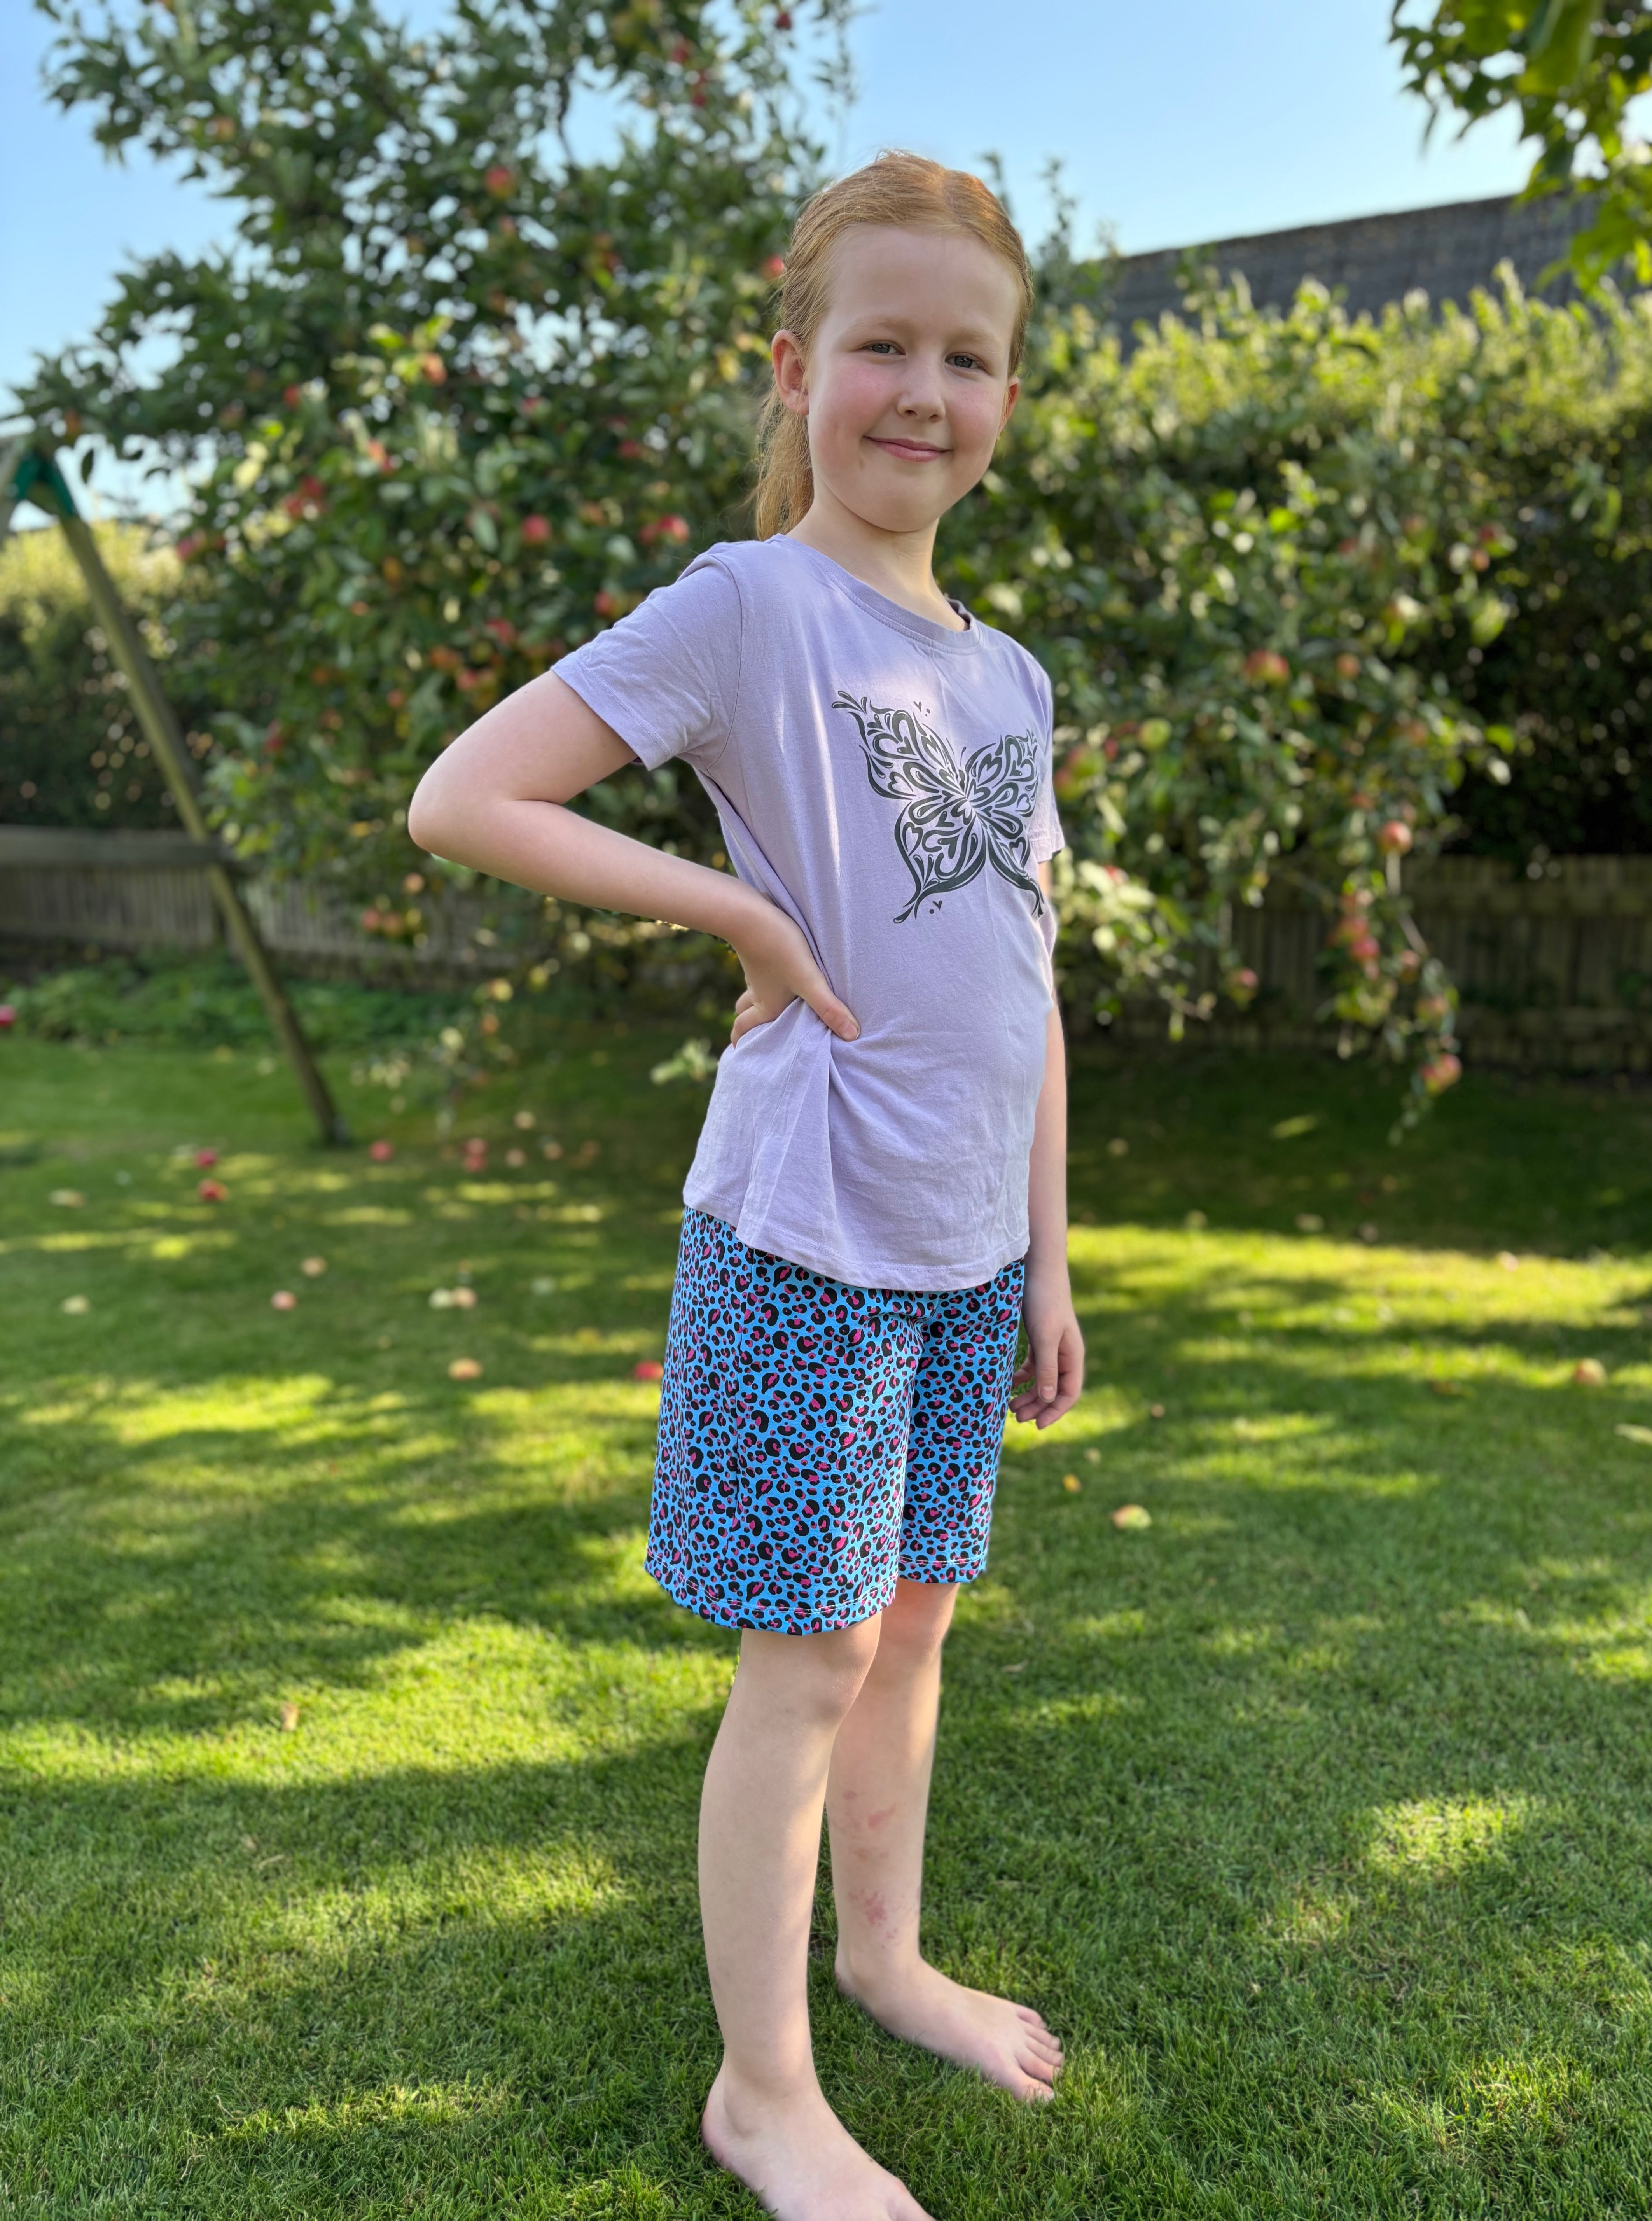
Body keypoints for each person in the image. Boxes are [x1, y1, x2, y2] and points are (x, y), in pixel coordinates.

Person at [408, 149, 1084, 2221]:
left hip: (973, 1257)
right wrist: (741, 917)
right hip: (810, 1235)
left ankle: (882, 1963)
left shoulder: (1011, 677)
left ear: (1006, 400)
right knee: (803, 1662)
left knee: (915, 1633)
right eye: (883, 344)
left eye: (966, 358)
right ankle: (761, 2095)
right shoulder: (747, 604)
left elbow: (1028, 981)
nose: (923, 392)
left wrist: (1055, 1260)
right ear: (797, 368)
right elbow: (468, 798)